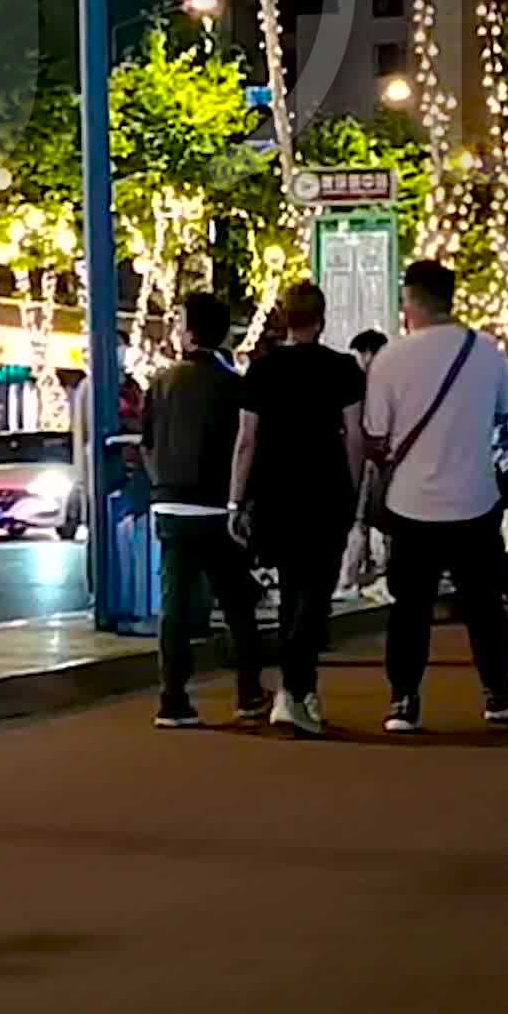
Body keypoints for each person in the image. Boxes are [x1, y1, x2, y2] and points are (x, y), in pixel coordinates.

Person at [358, 258, 508, 734]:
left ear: (410, 300)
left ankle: (404, 699)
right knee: (483, 606)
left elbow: (375, 432)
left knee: (409, 608)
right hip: (475, 500)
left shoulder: (390, 358)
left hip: (410, 503)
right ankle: (498, 690)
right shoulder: (486, 351)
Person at [230, 279, 367, 735]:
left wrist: (236, 499)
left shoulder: (263, 370)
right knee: (316, 590)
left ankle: (299, 688)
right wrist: (352, 489)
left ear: (285, 319)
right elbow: (354, 438)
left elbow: (247, 440)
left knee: (292, 589)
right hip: (325, 489)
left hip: (274, 491)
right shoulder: (343, 369)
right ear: (322, 319)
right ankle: (295, 686)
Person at [144, 290, 265, 727]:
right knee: (237, 603)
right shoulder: (234, 384)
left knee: (174, 605)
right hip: (218, 507)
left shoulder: (160, 382)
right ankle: (249, 692)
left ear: (189, 331)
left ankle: (172, 698)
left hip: (170, 505)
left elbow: (146, 442)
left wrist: (160, 482)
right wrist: (240, 501)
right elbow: (248, 444)